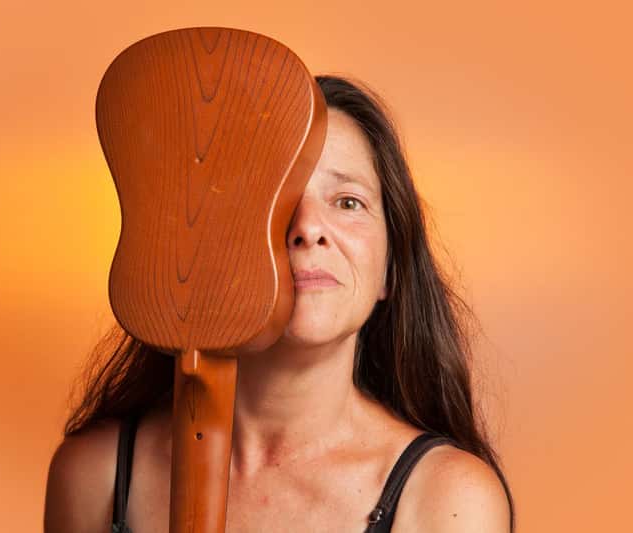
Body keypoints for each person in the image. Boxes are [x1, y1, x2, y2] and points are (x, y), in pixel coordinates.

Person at [44, 75, 515, 533]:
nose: (307, 227)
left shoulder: (448, 498)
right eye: (272, 196)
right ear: (208, 249)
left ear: (390, 268)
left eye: (348, 202)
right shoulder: (96, 475)